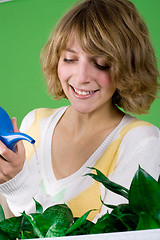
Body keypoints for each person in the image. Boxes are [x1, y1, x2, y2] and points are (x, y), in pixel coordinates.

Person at [0, 0, 159, 222]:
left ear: (128, 68)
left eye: (101, 63)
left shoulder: (141, 141)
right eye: (70, 59)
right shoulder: (35, 123)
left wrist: (17, 185)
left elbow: (110, 237)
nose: (81, 77)